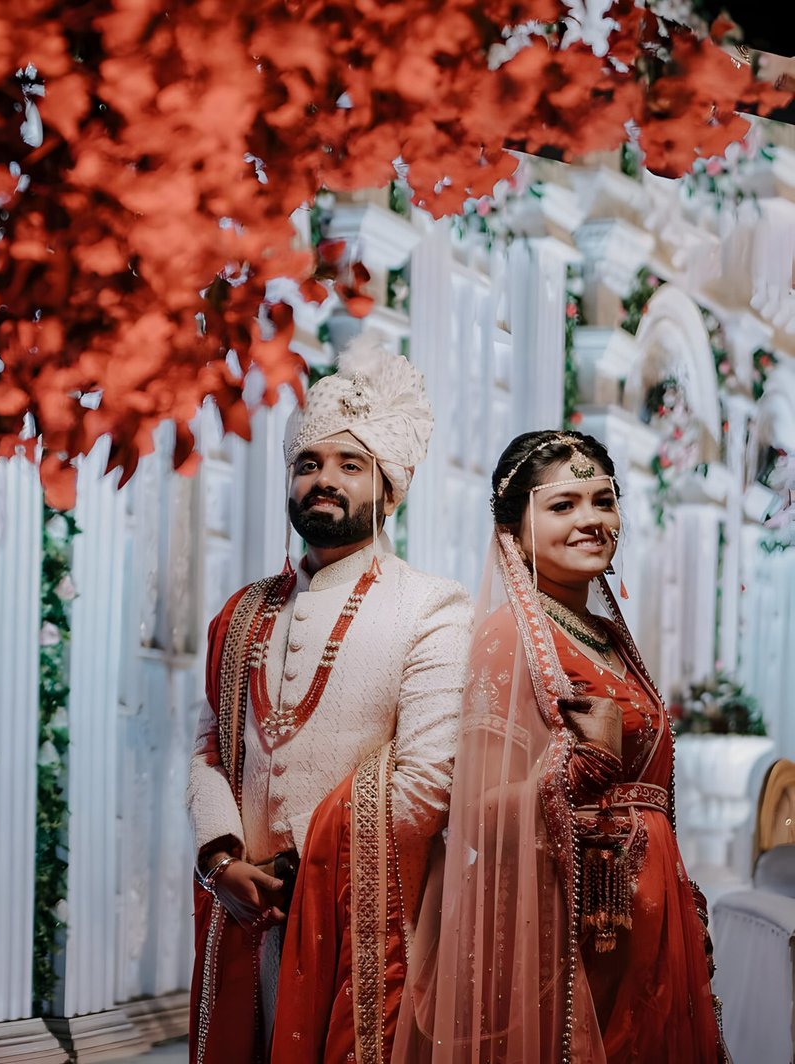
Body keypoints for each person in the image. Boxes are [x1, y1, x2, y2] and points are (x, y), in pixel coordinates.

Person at [394, 429, 726, 1063]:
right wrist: (586, 766)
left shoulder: (608, 636)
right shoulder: (507, 639)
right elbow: (479, 814)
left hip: (647, 922)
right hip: (566, 929)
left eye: (604, 500)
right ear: (517, 532)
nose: (592, 520)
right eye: (564, 505)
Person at [186, 334, 471, 1064]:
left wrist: (305, 866)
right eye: (308, 463)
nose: (324, 479)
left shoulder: (433, 608)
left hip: (365, 921)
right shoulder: (243, 611)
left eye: (350, 464)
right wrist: (222, 862)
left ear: (389, 487)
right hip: (245, 911)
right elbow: (210, 748)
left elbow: (427, 779)